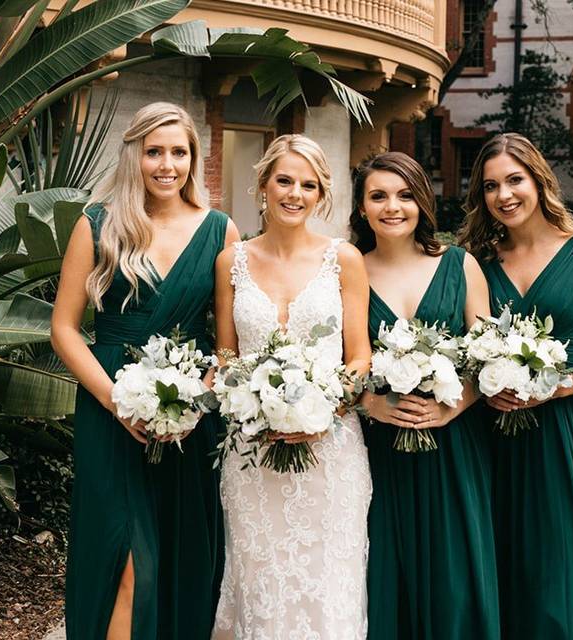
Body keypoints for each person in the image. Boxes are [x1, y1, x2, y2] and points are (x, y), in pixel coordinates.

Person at [52, 102, 239, 640]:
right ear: (134, 154)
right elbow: (64, 329)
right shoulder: (98, 224)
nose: (167, 164)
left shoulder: (221, 231)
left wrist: (194, 404)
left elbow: (227, 346)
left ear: (193, 158)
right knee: (126, 557)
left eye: (179, 152)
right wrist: (116, 400)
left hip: (190, 418)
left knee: (181, 557)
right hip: (108, 407)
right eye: (154, 151)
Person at [458, 132, 573, 639]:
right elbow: (466, 347)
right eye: (491, 185)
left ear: (539, 180)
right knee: (506, 568)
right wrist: (485, 383)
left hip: (567, 436)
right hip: (493, 438)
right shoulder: (478, 262)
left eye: (514, 180)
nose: (504, 195)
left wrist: (557, 386)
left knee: (564, 571)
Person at [211, 134, 373, 640]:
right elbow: (227, 354)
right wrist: (245, 399)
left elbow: (359, 356)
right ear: (263, 185)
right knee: (259, 583)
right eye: (284, 180)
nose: (294, 194)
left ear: (321, 194)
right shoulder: (231, 261)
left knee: (328, 589)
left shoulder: (343, 259)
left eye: (308, 185)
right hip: (252, 455)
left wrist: (322, 409)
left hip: (331, 450)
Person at [351, 152, 501, 639]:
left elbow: (489, 359)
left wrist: (452, 406)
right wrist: (370, 403)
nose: (392, 207)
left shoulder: (460, 265)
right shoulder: (346, 272)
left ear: (423, 203)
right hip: (379, 450)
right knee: (385, 574)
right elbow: (334, 362)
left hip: (454, 447)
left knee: (454, 578)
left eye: (405, 195)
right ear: (361, 208)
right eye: (378, 196)